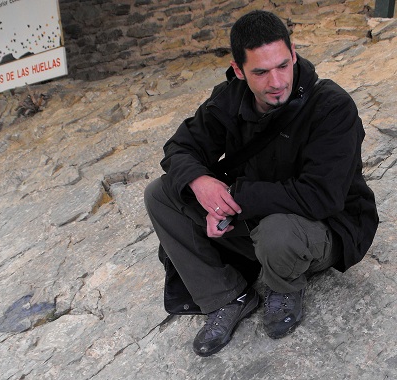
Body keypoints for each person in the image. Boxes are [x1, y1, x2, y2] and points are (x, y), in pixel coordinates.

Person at [144, 10, 378, 357]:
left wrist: (233, 200)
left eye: (283, 65)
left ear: (293, 54)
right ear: (239, 70)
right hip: (253, 217)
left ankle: (284, 285)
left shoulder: (332, 107)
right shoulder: (229, 98)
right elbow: (180, 147)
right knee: (160, 194)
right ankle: (227, 296)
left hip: (322, 227)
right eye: (260, 72)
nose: (277, 81)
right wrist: (201, 182)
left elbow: (322, 197)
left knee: (276, 234)